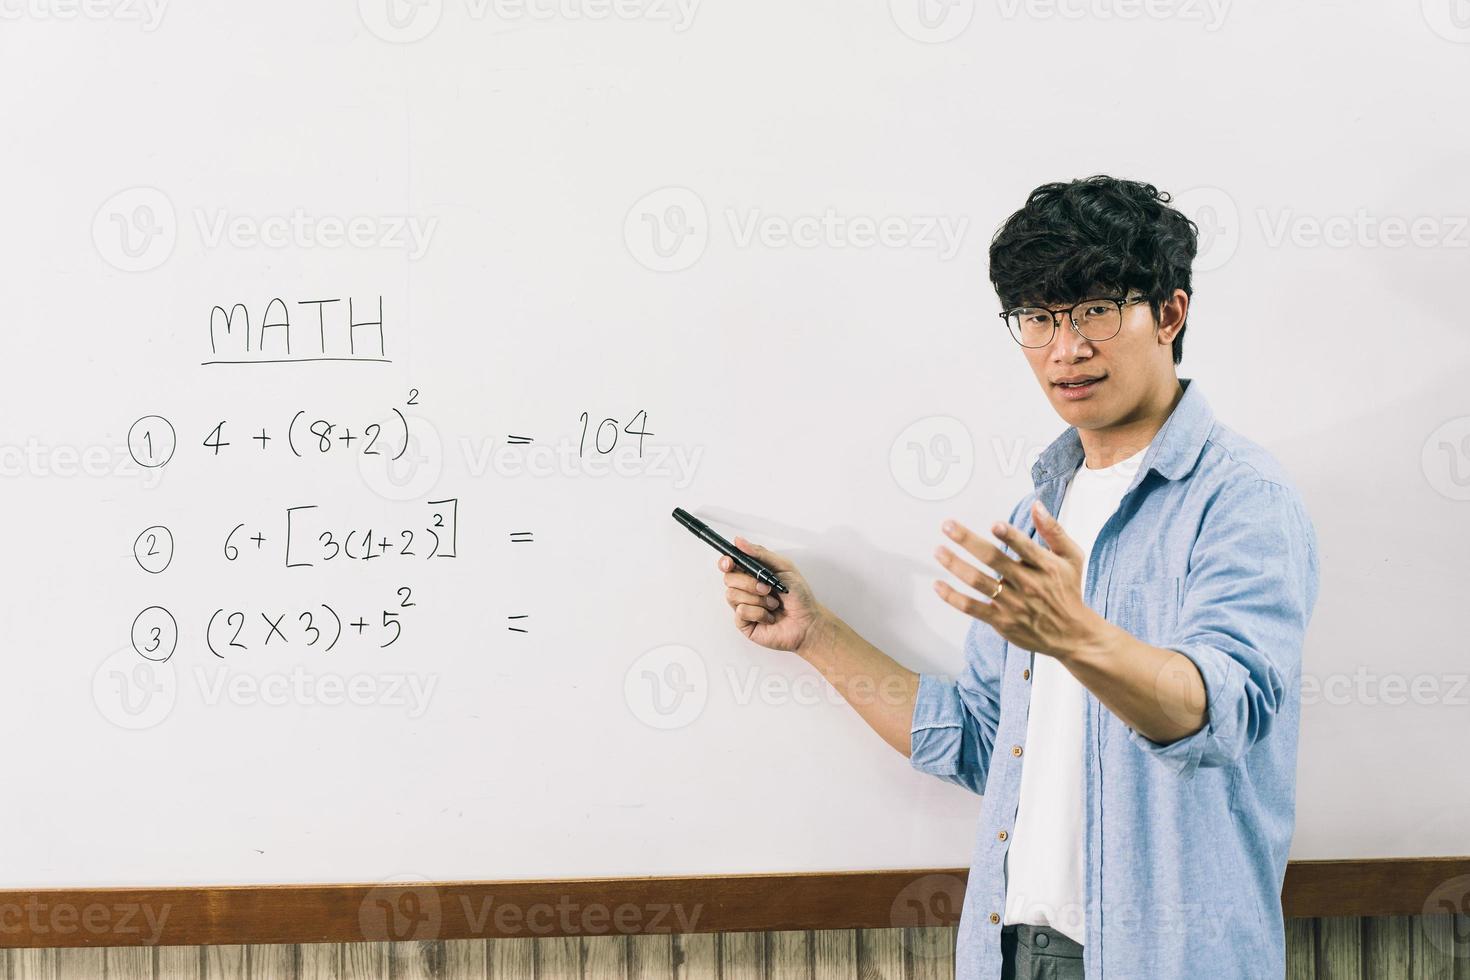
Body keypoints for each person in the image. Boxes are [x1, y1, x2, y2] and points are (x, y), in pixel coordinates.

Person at [711, 175, 1321, 979]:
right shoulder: (1043, 504)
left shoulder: (1243, 500)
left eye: (1097, 311)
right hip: (1015, 953)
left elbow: (1220, 713)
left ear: (1170, 314)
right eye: (1038, 318)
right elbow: (979, 742)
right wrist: (814, 634)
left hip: (1169, 959)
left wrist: (1080, 637)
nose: (1065, 349)